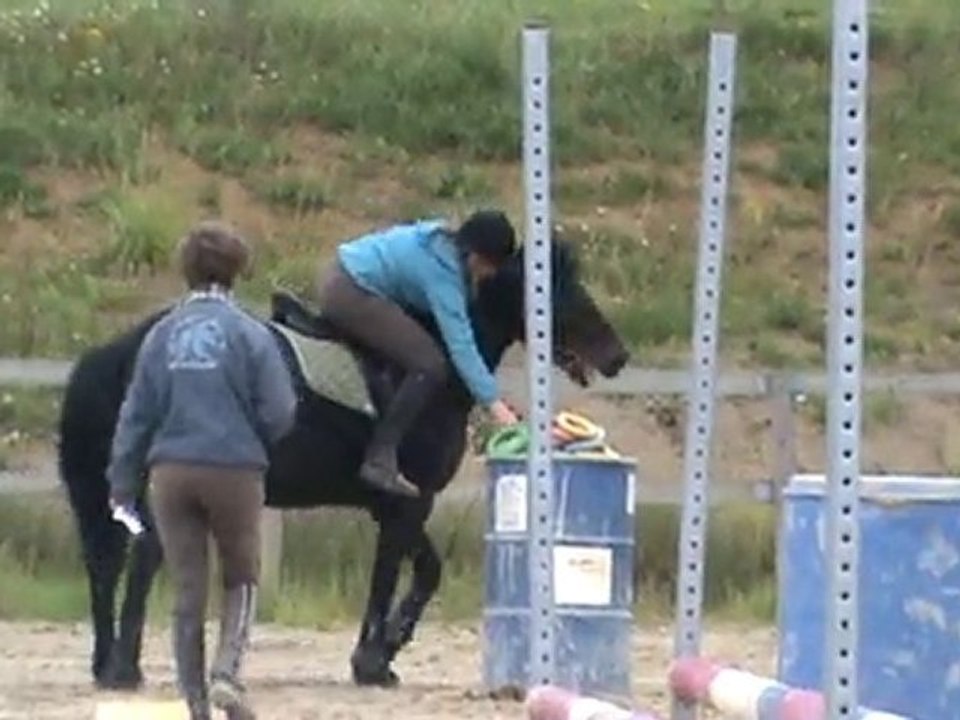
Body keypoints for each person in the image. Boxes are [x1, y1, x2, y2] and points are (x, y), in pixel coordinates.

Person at [106, 220, 297, 720]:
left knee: (188, 590)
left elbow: (136, 413)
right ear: (237, 270)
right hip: (233, 468)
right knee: (241, 575)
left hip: (170, 470)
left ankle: (196, 706)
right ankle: (227, 673)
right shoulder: (252, 334)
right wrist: (253, 436)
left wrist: (122, 482)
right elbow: (280, 409)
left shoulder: (160, 335)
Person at [316, 209, 521, 498]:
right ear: (476, 256)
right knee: (429, 364)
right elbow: (460, 344)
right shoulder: (442, 274)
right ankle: (380, 457)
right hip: (351, 291)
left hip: (344, 274)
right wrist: (494, 404)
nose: (491, 274)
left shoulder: (444, 245)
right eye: (491, 266)